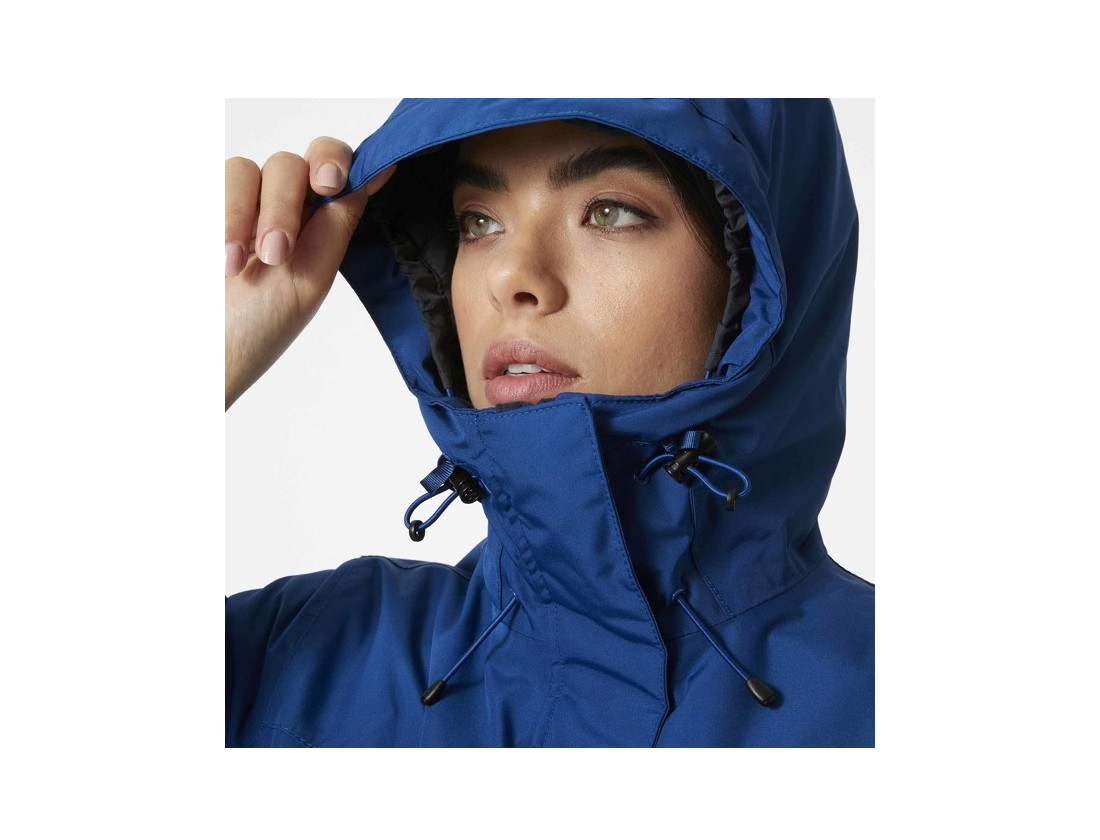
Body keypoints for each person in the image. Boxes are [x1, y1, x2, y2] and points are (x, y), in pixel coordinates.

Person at [225, 98, 874, 746]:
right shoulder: (295, 654)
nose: (511, 276)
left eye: (609, 212)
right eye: (479, 222)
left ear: (759, 271)